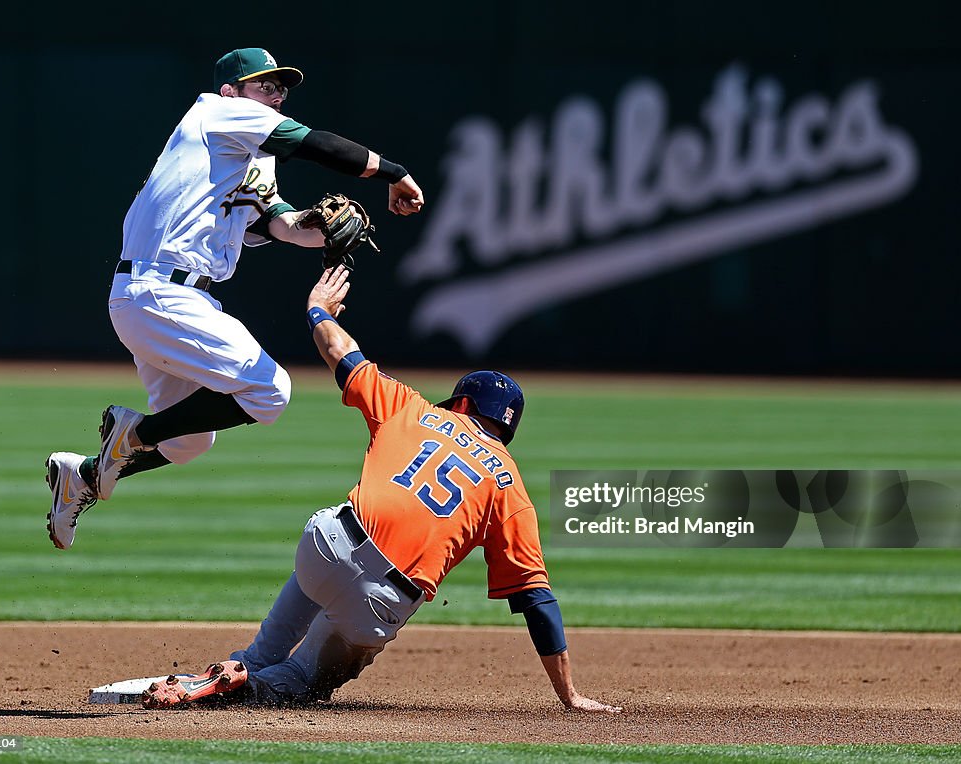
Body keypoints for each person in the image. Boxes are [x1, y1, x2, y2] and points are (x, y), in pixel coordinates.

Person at [141, 265, 621, 714]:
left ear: (464, 402)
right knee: (305, 680)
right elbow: (536, 600)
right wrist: (569, 693)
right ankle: (245, 687)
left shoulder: (412, 408)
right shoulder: (509, 487)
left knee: (276, 634)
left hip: (328, 543)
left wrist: (317, 310)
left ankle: (236, 666)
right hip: (378, 599)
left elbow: (342, 354)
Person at [45, 47, 424, 550]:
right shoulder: (216, 112)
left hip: (167, 299)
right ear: (232, 91)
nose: (277, 94)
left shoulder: (247, 155)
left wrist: (323, 232)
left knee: (190, 440)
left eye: (281, 87)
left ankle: (84, 475)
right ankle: (130, 435)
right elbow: (316, 144)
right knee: (271, 392)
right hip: (158, 291)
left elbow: (278, 224)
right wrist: (393, 172)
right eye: (265, 84)